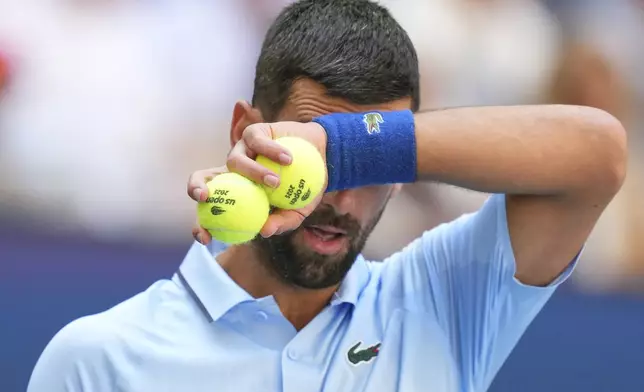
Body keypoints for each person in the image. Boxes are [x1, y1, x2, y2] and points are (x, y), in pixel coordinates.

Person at [27, 1, 627, 391]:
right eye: (313, 167)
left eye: (370, 164)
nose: (339, 200)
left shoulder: (441, 303)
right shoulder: (96, 359)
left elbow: (598, 153)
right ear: (245, 132)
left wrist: (337, 143)